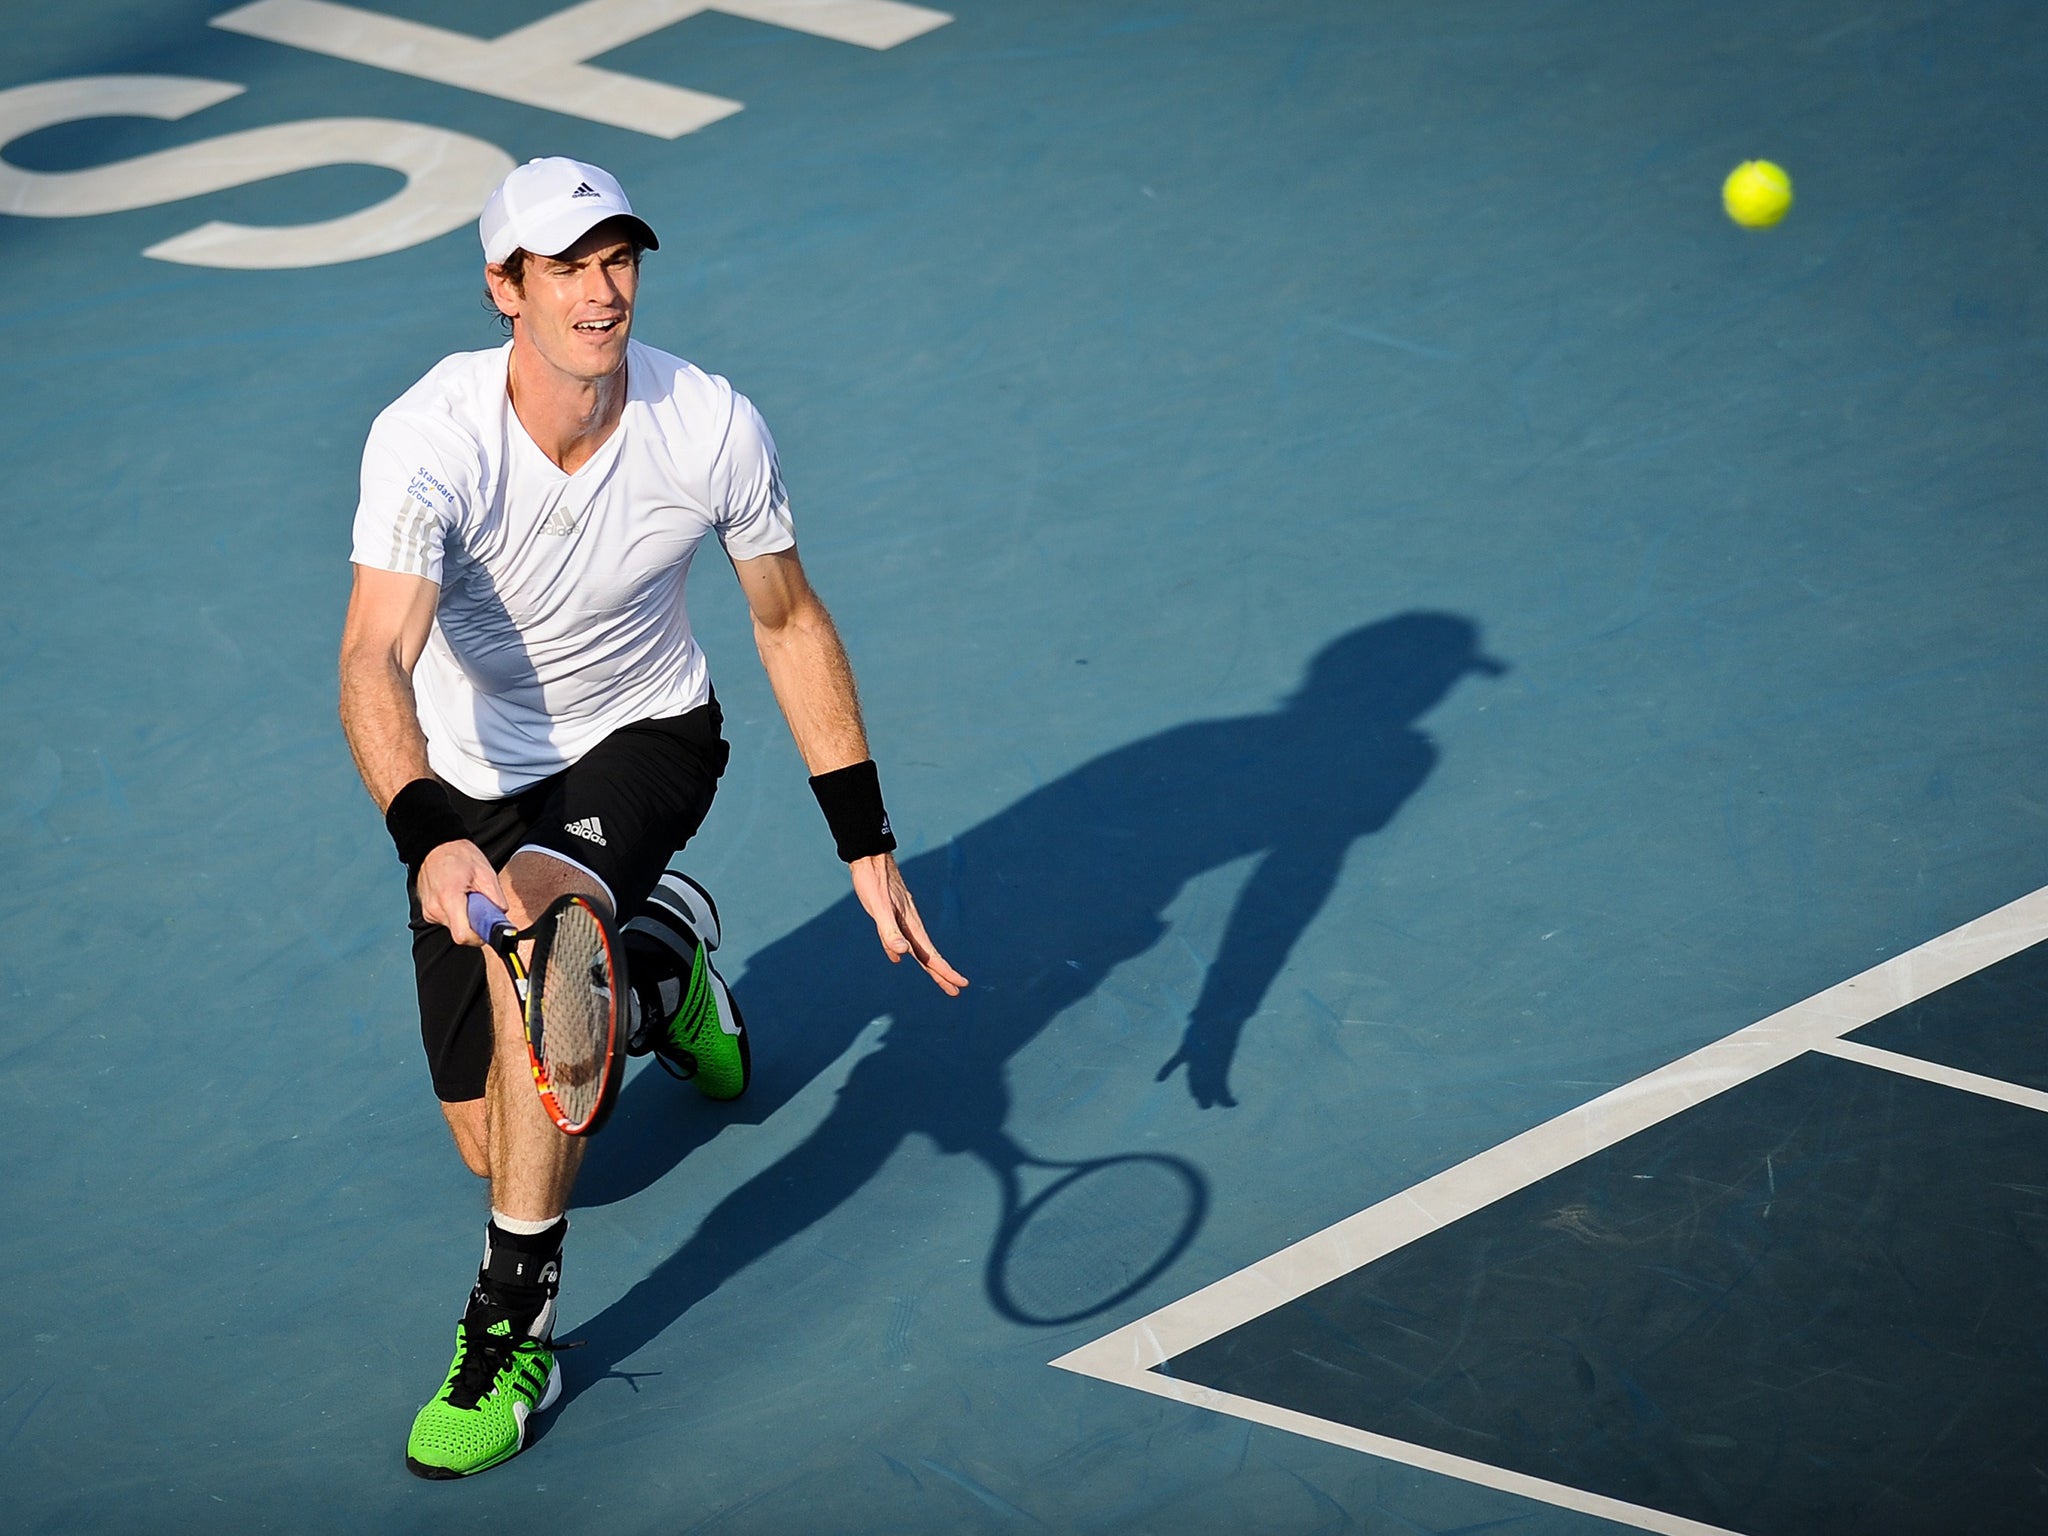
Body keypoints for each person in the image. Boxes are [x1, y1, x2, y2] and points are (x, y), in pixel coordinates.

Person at [336, 155, 967, 1479]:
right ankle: (659, 969)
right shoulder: (429, 438)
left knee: (554, 930)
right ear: (506, 289)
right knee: (503, 1130)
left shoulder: (708, 424)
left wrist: (865, 841)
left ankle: (513, 1325)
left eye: (619, 257)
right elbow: (373, 660)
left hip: (648, 742)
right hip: (469, 785)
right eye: (567, 265)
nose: (604, 287)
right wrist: (429, 829)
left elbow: (786, 619)